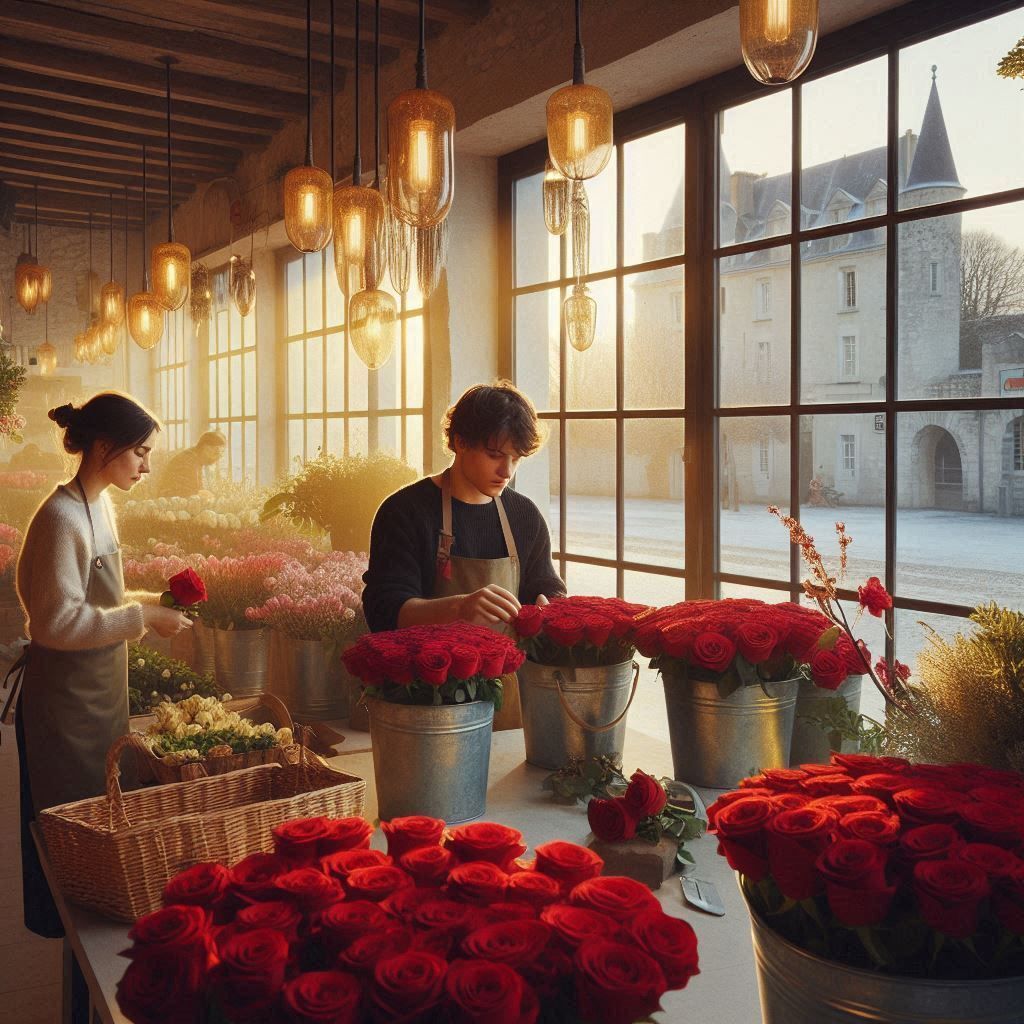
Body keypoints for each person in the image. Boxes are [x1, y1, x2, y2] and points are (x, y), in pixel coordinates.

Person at [6, 392, 192, 948]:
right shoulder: (63, 517)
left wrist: (151, 608)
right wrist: (143, 615)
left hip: (99, 695)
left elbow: (94, 600)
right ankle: (78, 954)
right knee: (74, 828)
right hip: (66, 707)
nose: (147, 465)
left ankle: (93, 938)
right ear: (104, 448)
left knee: (103, 816)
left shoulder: (98, 506)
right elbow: (55, 623)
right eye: (140, 452)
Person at [362, 380, 566, 636]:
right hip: (423, 673)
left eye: (516, 459)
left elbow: (546, 587)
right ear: (460, 442)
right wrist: (458, 609)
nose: (507, 472)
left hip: (508, 674)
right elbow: (383, 611)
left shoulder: (525, 516)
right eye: (494, 455)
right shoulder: (404, 511)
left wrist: (549, 606)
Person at [156, 429, 227, 497]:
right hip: (170, 501)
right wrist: (200, 493)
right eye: (215, 451)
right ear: (204, 447)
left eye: (221, 452)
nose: (217, 457)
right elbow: (184, 490)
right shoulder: (188, 460)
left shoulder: (196, 457)